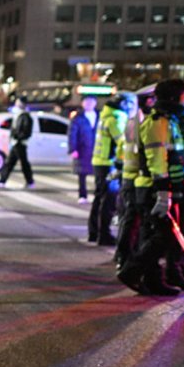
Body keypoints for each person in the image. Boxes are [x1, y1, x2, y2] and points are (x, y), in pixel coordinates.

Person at [117, 79, 184, 296]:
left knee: (154, 235)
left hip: (160, 187)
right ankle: (131, 271)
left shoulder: (169, 121)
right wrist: (163, 194)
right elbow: (157, 161)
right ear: (173, 98)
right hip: (152, 188)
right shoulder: (157, 123)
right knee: (163, 236)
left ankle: (153, 280)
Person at [89, 92, 135, 246]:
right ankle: (104, 234)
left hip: (99, 162)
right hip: (109, 163)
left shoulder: (106, 115)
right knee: (108, 200)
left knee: (99, 198)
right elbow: (122, 142)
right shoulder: (117, 118)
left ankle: (94, 232)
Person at [115, 86, 151, 269]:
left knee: (129, 219)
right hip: (135, 176)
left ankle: (123, 255)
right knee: (132, 220)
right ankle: (126, 256)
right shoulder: (142, 122)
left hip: (129, 174)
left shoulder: (132, 120)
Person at [67, 95, 98, 204]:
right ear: (82, 103)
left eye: (91, 101)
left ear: (95, 103)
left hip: (98, 149)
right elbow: (72, 134)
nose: (89, 104)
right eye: (86, 102)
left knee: (99, 174)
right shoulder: (78, 117)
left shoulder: (100, 116)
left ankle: (97, 195)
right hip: (82, 149)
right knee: (82, 174)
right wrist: (73, 149)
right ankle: (82, 195)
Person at [0, 97, 34, 188]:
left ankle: (30, 181)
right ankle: (3, 180)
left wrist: (18, 137)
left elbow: (26, 130)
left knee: (20, 163)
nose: (16, 104)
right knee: (12, 162)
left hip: (20, 143)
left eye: (18, 102)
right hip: (16, 142)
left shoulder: (25, 116)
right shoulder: (18, 115)